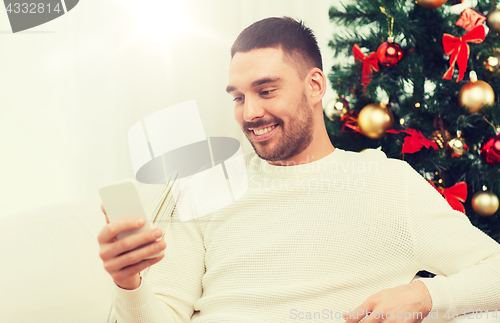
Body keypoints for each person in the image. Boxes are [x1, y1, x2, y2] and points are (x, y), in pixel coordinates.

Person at [98, 17, 500, 323]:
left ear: (314, 86)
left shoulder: (387, 182)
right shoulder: (202, 186)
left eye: (266, 91)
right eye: (238, 97)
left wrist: (426, 295)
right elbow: (165, 312)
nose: (250, 112)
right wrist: (128, 283)